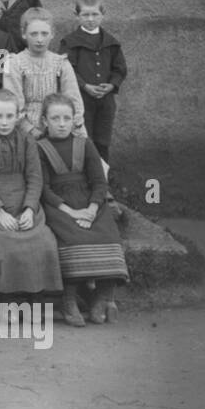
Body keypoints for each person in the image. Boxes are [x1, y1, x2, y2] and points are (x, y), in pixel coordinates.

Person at [37, 94, 128, 326]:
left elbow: (99, 181)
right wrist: (71, 212)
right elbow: (43, 188)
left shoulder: (85, 144)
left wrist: (92, 208)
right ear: (45, 121)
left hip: (89, 203)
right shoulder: (39, 148)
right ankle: (69, 301)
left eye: (66, 118)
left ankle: (102, 298)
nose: (61, 123)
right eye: (55, 118)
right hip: (59, 206)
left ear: (74, 120)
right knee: (70, 238)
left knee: (107, 233)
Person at [0, 89, 62, 297]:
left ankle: (33, 296)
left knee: (44, 241)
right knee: (6, 246)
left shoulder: (27, 140)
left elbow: (35, 177)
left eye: (10, 116)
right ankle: (8, 298)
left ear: (19, 116)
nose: (4, 122)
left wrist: (29, 209)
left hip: (24, 202)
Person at [57, 0, 128, 162]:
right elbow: (66, 69)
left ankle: (103, 179)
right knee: (83, 139)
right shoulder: (70, 42)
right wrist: (85, 86)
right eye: (85, 14)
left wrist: (111, 85)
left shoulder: (111, 42)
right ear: (76, 16)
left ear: (103, 14)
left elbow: (120, 69)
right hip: (81, 100)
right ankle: (85, 179)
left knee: (103, 140)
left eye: (95, 14)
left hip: (106, 102)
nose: (90, 19)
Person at [3, 8, 87, 141]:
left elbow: (73, 98)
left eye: (44, 33)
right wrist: (29, 129)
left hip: (58, 127)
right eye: (34, 34)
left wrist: (76, 126)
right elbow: (12, 102)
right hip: (25, 130)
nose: (40, 39)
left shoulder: (61, 63)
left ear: (52, 34)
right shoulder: (14, 62)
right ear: (24, 34)